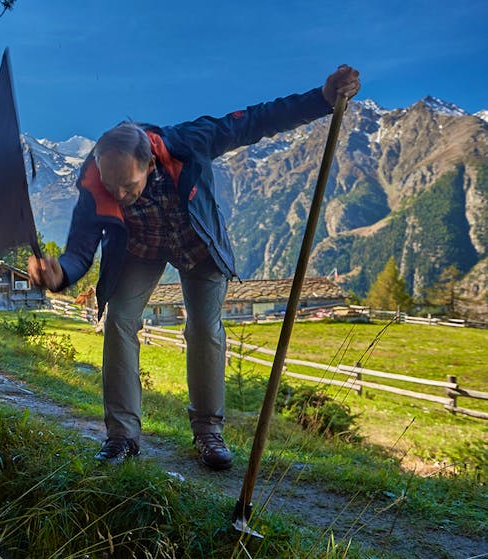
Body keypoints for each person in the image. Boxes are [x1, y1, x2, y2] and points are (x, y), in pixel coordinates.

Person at [27, 65, 360, 470]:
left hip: (197, 245)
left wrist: (322, 98)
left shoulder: (189, 140)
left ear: (149, 163)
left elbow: (256, 120)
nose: (119, 195)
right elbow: (80, 250)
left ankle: (208, 432)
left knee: (203, 327)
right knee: (118, 320)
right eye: (111, 187)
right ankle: (122, 438)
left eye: (128, 187)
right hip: (139, 248)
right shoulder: (95, 182)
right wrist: (59, 273)